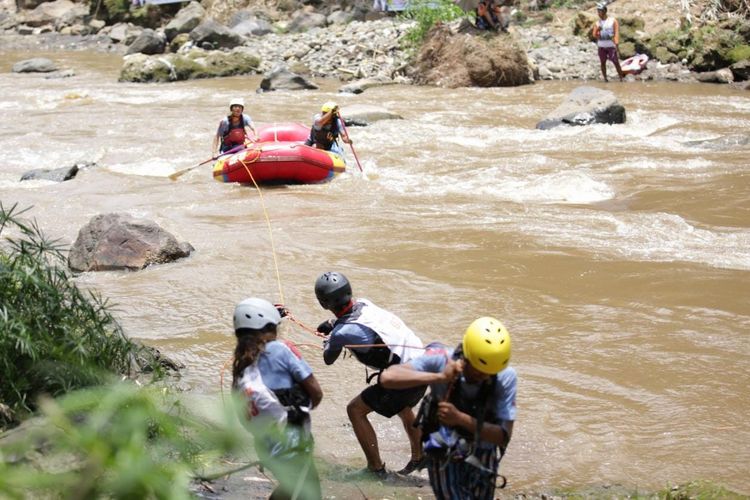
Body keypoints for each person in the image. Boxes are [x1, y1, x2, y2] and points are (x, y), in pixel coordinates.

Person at [380, 317, 517, 500]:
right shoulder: (441, 360)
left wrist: (459, 418)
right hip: (443, 449)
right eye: (479, 371)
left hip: (483, 449)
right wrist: (438, 377)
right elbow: (388, 378)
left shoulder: (506, 377)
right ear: (467, 356)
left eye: (490, 373)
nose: (484, 376)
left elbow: (503, 435)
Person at [314, 271, 426, 477]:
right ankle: (419, 457)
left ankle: (375, 469)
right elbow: (353, 319)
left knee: (355, 410)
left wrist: (330, 337)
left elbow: (328, 359)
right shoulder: (365, 303)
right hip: (423, 366)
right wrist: (332, 324)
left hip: (406, 378)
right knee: (403, 407)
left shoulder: (341, 334)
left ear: (323, 303)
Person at [232, 297, 323, 500]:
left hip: (265, 447)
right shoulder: (279, 350)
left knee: (290, 488)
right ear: (268, 327)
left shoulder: (240, 365)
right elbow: (316, 393)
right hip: (291, 446)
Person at [592, 2, 624, 82]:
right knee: (603, 63)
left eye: (600, 11)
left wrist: (616, 44)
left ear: (605, 11)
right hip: (601, 46)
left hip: (611, 46)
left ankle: (621, 78)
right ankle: (605, 79)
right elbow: (594, 35)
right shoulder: (597, 23)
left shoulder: (613, 21)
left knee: (616, 62)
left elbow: (616, 33)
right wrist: (597, 31)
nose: (599, 13)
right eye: (598, 11)